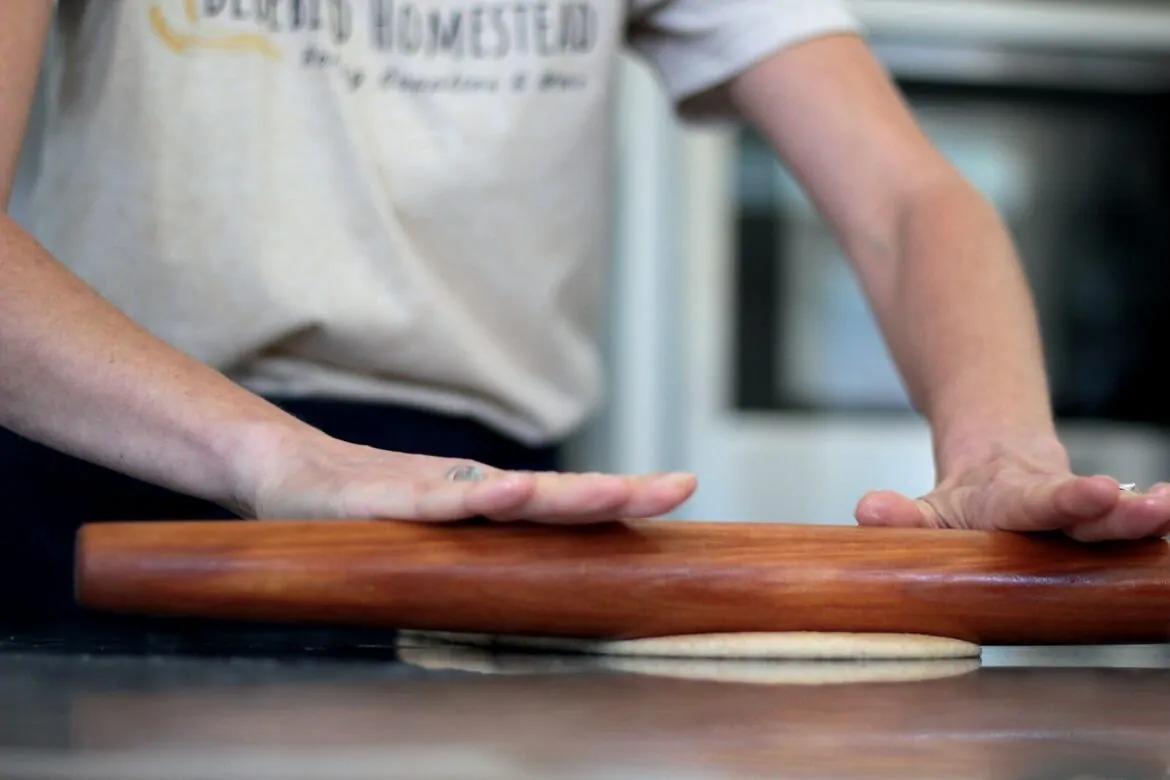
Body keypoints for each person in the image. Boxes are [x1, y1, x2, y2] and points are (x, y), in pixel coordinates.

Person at [2, 0, 1168, 620]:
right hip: (128, 482)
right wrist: (281, 459)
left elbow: (906, 199)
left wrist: (1001, 451)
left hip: (497, 517)